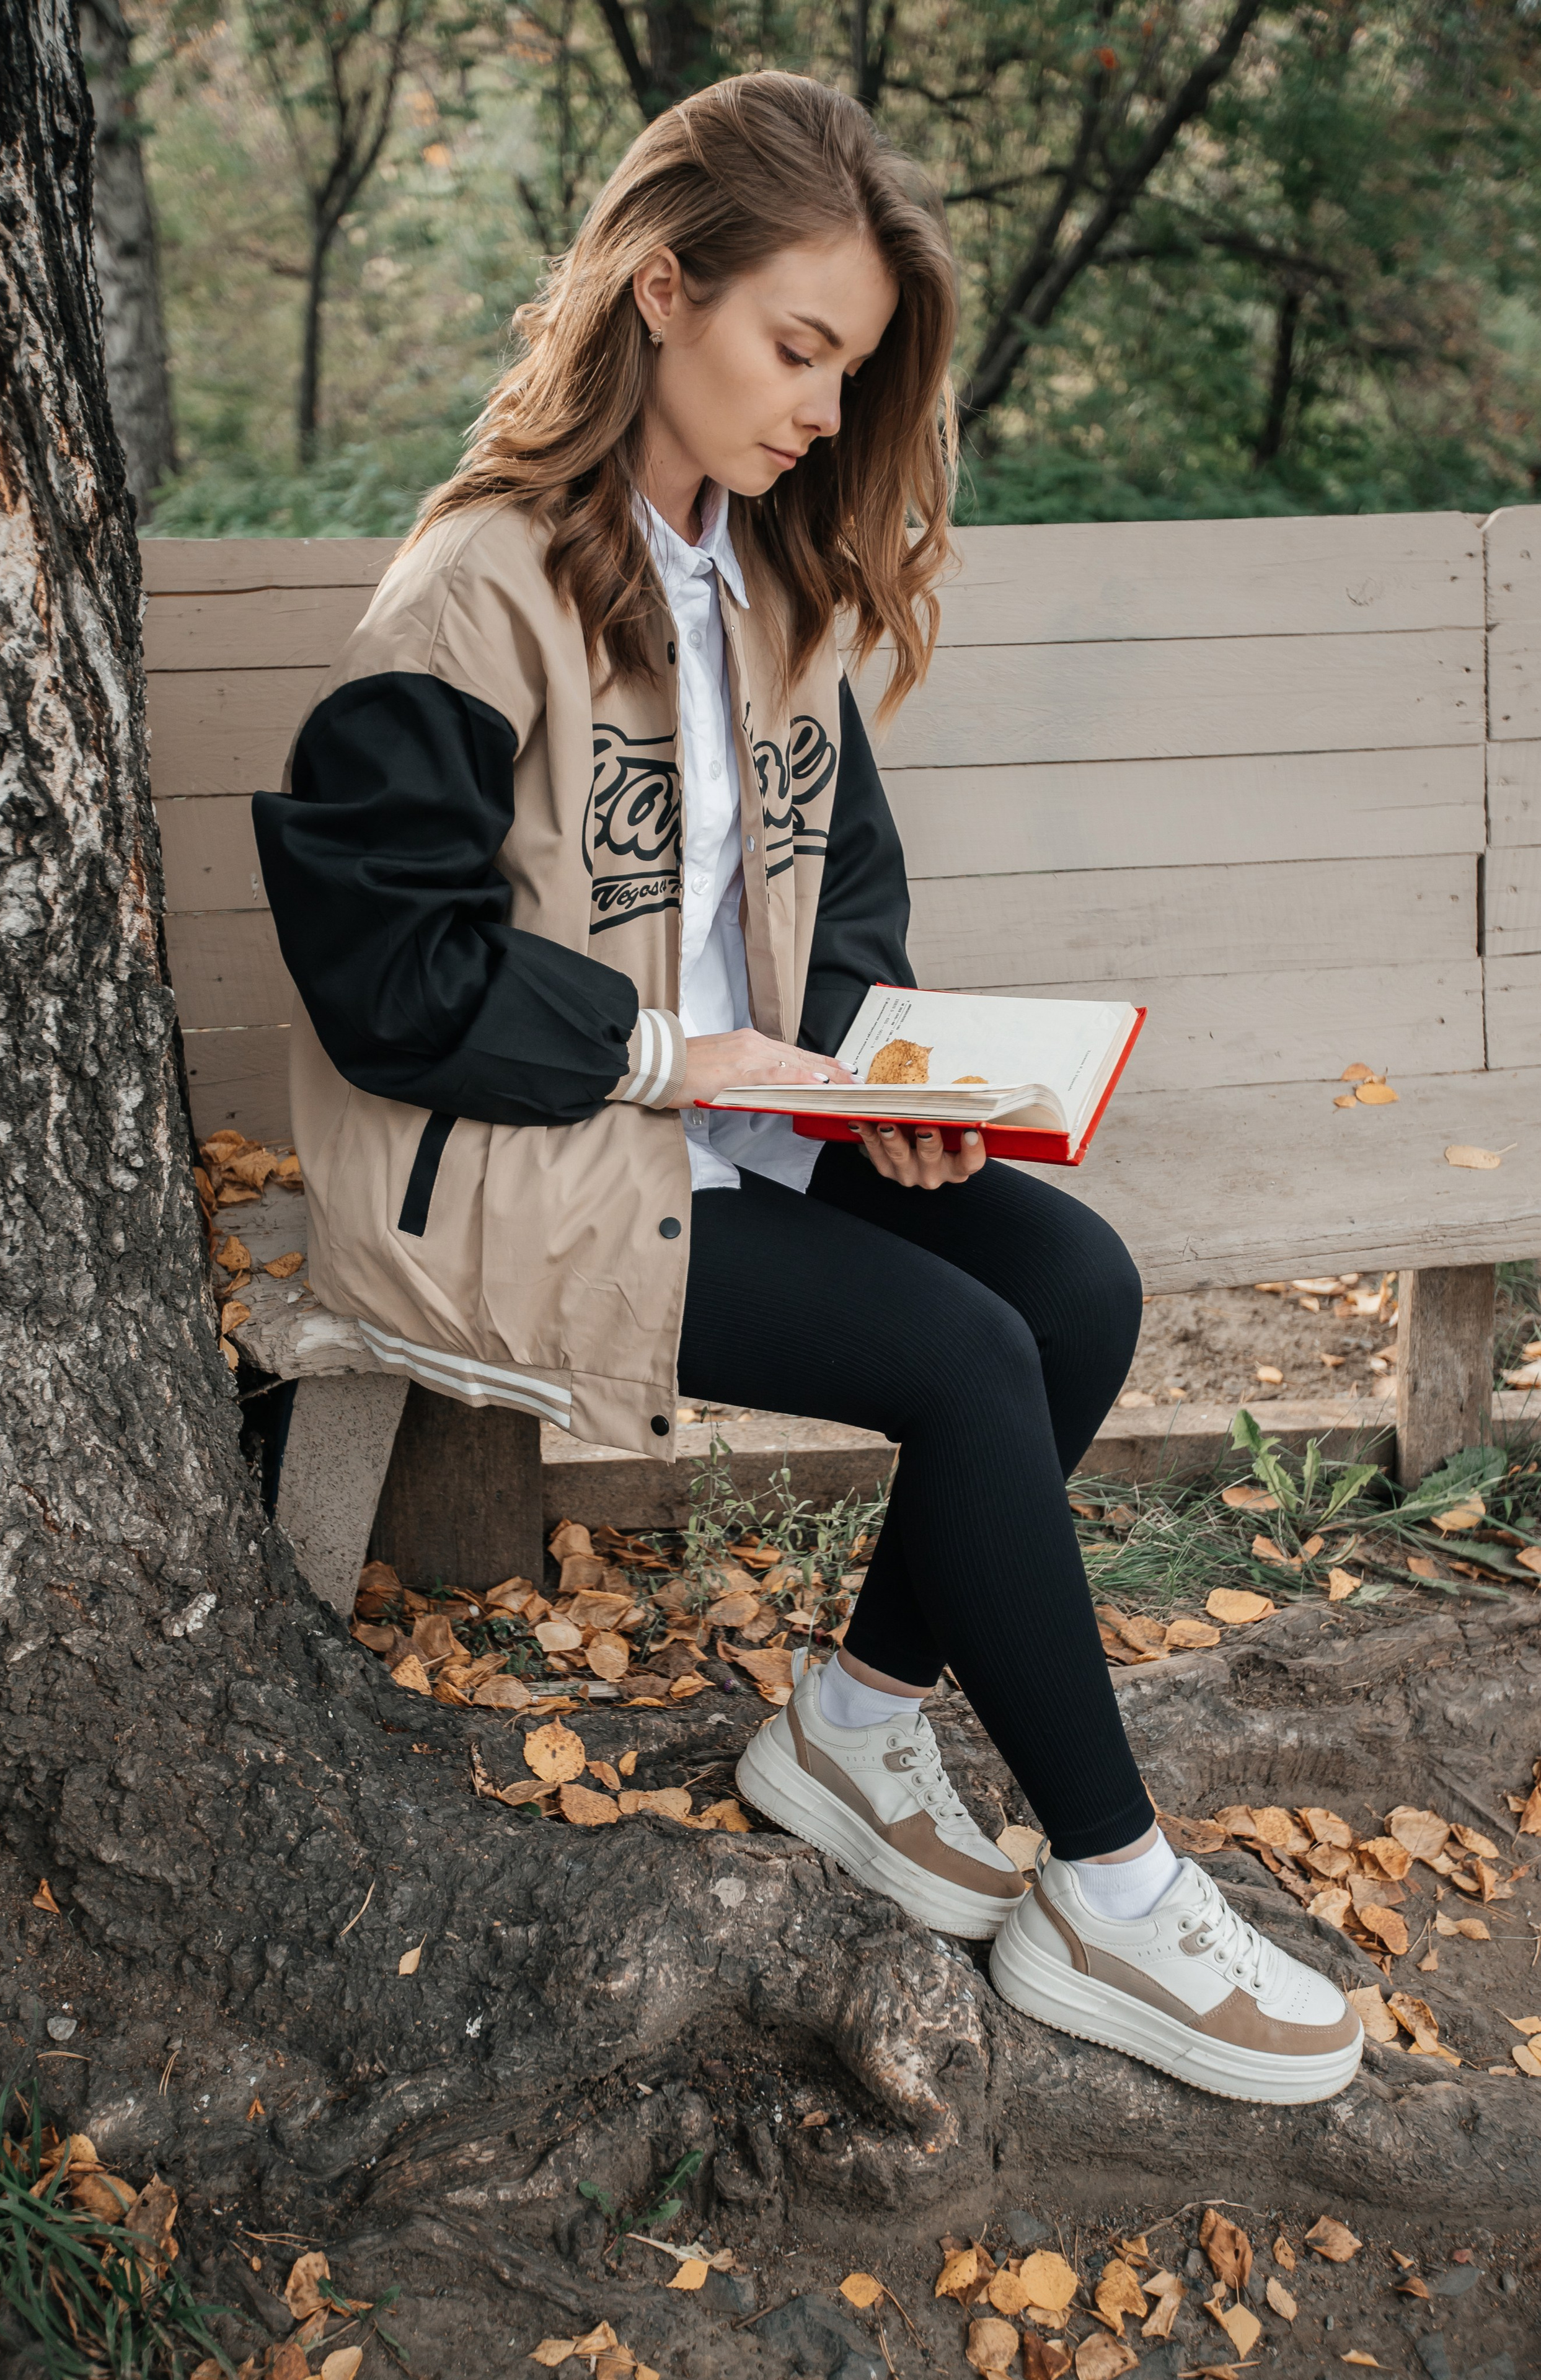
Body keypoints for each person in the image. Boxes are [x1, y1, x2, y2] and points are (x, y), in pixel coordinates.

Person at [252, 70, 1361, 2108]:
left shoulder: (768, 590)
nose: (827, 411)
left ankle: (852, 1725)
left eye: (851, 370)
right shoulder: (471, 593)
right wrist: (681, 1058)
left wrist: (897, 1080)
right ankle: (1115, 1898)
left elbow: (841, 928)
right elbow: (384, 977)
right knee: (962, 1355)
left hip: (743, 1131)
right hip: (520, 1163)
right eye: (801, 349)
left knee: (1074, 1288)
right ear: (659, 291)